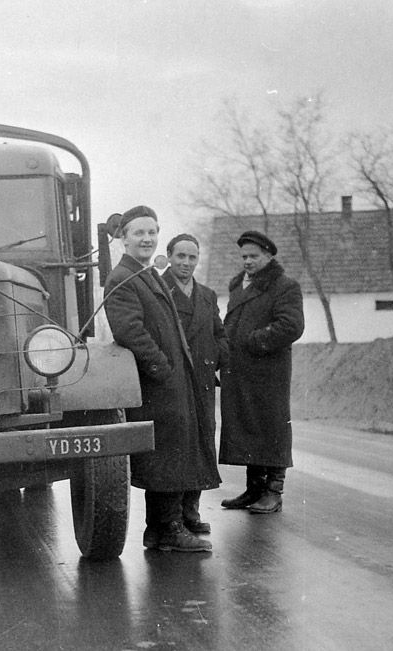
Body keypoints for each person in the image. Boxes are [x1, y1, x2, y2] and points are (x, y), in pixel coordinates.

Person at [104, 206, 220, 552]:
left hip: (167, 380)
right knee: (167, 453)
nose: (147, 239)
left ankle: (157, 530)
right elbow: (130, 330)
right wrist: (162, 368)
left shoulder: (145, 273)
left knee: (170, 450)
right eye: (138, 233)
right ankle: (168, 528)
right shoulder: (123, 277)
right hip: (157, 382)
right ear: (123, 238)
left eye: (152, 232)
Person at [219, 230, 304, 514]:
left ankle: (273, 491)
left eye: (253, 256)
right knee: (248, 427)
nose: (247, 261)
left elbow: (291, 326)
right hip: (240, 371)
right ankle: (254, 488)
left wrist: (253, 341)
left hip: (268, 373)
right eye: (244, 256)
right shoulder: (238, 286)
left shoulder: (284, 286)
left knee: (272, 428)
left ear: (268, 256)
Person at [161, 233, 228, 535]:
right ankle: (172, 517)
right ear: (170, 256)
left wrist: (219, 360)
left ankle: (191, 513)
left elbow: (218, 332)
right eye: (181, 256)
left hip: (201, 382)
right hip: (173, 382)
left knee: (201, 445)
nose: (186, 263)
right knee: (176, 448)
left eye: (192, 257)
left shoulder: (207, 295)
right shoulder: (159, 291)